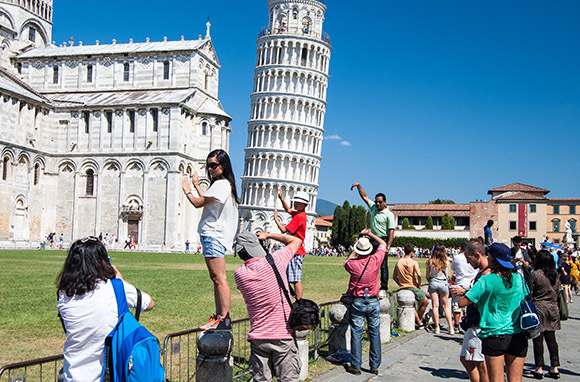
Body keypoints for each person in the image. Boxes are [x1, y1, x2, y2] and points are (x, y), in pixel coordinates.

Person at [56, 237, 154, 382]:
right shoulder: (114, 288)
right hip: (107, 375)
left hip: (73, 374)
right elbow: (148, 303)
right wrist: (120, 281)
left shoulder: (63, 294)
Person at [182, 149, 239, 331]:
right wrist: (198, 186)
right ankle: (220, 317)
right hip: (214, 235)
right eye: (209, 165)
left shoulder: (221, 184)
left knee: (219, 278)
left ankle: (224, 318)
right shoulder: (222, 184)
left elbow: (198, 203)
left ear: (223, 166)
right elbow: (207, 200)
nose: (210, 168)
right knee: (216, 278)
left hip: (214, 235)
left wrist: (187, 190)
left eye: (213, 165)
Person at [234, 230, 302, 382]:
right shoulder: (275, 260)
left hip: (258, 335)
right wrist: (268, 235)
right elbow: (296, 241)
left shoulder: (239, 274)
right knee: (288, 379)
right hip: (282, 333)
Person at [459, 243, 528, 382]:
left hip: (494, 333)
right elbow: (525, 298)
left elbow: (462, 302)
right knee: (516, 379)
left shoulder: (487, 280)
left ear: (492, 259)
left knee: (496, 379)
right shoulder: (519, 279)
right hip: (518, 334)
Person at [343, 229, 386, 375]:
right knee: (374, 333)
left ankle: (356, 365)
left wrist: (356, 248)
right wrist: (369, 233)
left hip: (358, 301)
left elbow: (347, 261)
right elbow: (383, 243)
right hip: (373, 300)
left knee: (357, 333)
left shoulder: (353, 265)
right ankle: (374, 365)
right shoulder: (375, 260)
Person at [450, 241, 490, 382]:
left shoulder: (486, 275)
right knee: (466, 358)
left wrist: (464, 293)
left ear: (477, 255)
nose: (468, 263)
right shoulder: (483, 273)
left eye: (469, 259)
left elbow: (483, 298)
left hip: (478, 324)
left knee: (480, 364)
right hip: (475, 322)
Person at [351, 183, 396, 298]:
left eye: (380, 202)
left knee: (383, 266)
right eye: (376, 201)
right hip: (372, 239)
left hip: (383, 240)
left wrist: (388, 247)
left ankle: (384, 288)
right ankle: (367, 285)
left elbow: (391, 231)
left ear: (385, 202)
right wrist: (358, 186)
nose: (377, 204)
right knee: (367, 262)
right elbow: (364, 197)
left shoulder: (389, 214)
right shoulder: (373, 208)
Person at [523, 250, 561, 380]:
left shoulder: (535, 274)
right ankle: (554, 367)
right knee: (552, 339)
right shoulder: (555, 274)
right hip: (553, 307)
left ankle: (538, 368)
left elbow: (529, 292)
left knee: (538, 339)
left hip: (539, 308)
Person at [273, 190, 309, 300]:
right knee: (291, 277)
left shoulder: (299, 217)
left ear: (305, 205)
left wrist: (276, 219)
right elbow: (288, 210)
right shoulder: (300, 214)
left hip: (296, 250)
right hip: (296, 249)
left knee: (295, 279)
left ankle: (298, 301)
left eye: (298, 203)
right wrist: (282, 199)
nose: (295, 204)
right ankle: (295, 299)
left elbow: (284, 230)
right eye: (295, 202)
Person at [393, 243, 429, 328]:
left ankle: (418, 321)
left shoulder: (399, 262)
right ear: (411, 252)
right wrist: (418, 284)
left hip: (403, 286)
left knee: (412, 306)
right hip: (412, 286)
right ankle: (419, 320)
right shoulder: (413, 262)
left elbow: (394, 276)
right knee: (425, 302)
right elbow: (419, 275)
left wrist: (400, 283)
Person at [426, 243, 454, 334]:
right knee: (446, 307)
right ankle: (450, 327)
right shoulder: (446, 262)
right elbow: (448, 275)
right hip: (443, 282)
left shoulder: (430, 261)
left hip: (433, 281)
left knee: (435, 306)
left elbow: (427, 275)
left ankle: (437, 327)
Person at [451, 241, 477, 334]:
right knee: (469, 304)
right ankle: (468, 321)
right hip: (471, 283)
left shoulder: (457, 258)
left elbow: (453, 268)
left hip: (460, 282)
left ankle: (456, 325)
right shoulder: (473, 258)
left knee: (456, 305)